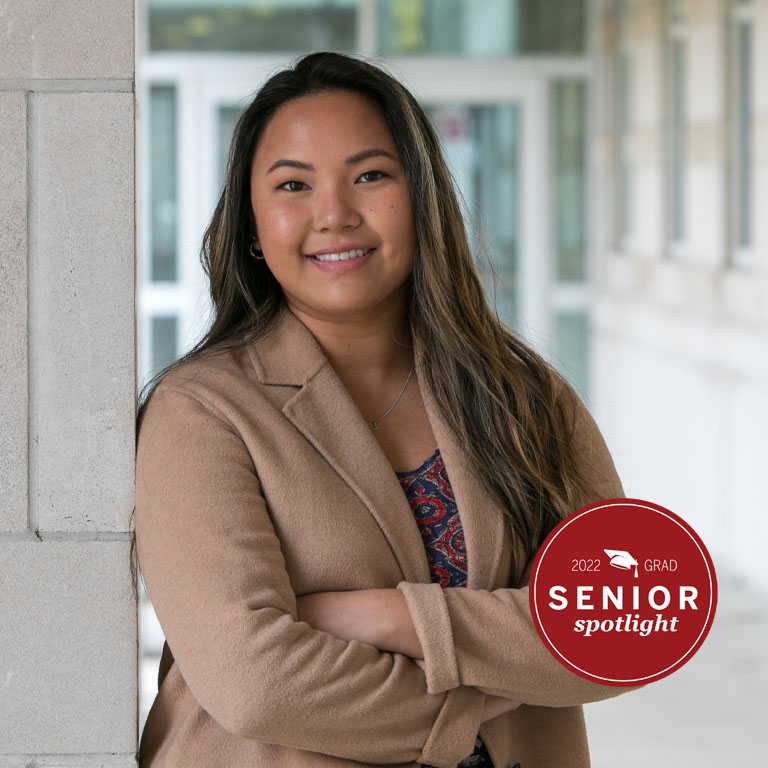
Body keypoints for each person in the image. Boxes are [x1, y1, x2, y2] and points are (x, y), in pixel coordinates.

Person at [131, 51, 638, 768]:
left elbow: (625, 626)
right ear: (252, 225)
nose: (334, 215)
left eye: (370, 175)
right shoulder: (204, 412)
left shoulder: (527, 399)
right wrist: (479, 701)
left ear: (422, 198)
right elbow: (257, 684)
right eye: (293, 185)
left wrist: (392, 617)